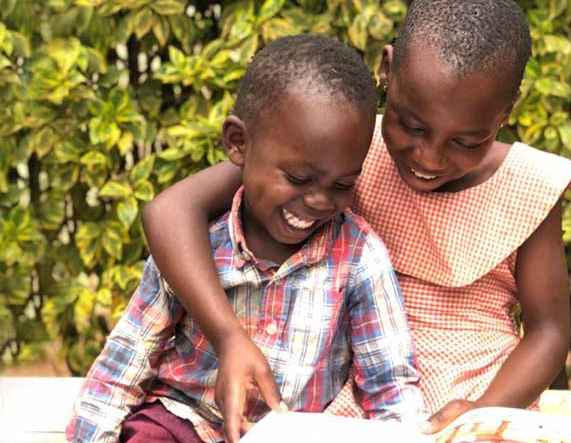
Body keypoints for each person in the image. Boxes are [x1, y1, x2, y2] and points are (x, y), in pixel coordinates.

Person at [142, 0, 571, 438]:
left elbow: (549, 332)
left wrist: (482, 411)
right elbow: (169, 212)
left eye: (466, 141)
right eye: (410, 125)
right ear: (386, 71)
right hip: (358, 396)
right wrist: (227, 334)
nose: (428, 158)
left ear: (507, 111)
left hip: (484, 395)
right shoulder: (341, 151)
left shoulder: (529, 185)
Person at [67, 35, 424, 443]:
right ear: (238, 143)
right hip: (184, 420)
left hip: (289, 432)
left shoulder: (360, 256)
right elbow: (123, 365)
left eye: (343, 183)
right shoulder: (198, 245)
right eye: (298, 178)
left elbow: (389, 385)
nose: (320, 200)